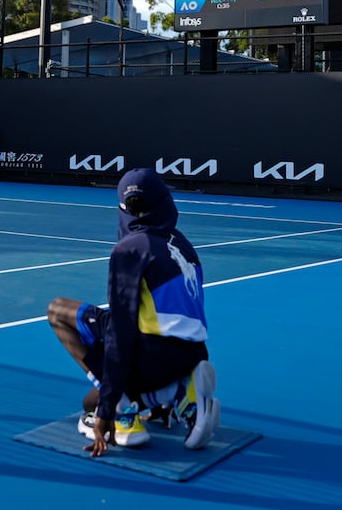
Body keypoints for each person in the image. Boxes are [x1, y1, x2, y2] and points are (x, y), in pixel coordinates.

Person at [47, 167, 220, 457]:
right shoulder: (183, 246)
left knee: (58, 311)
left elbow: (120, 333)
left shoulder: (129, 249)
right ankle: (181, 397)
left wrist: (107, 405)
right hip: (192, 355)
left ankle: (125, 411)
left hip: (151, 359)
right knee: (119, 345)